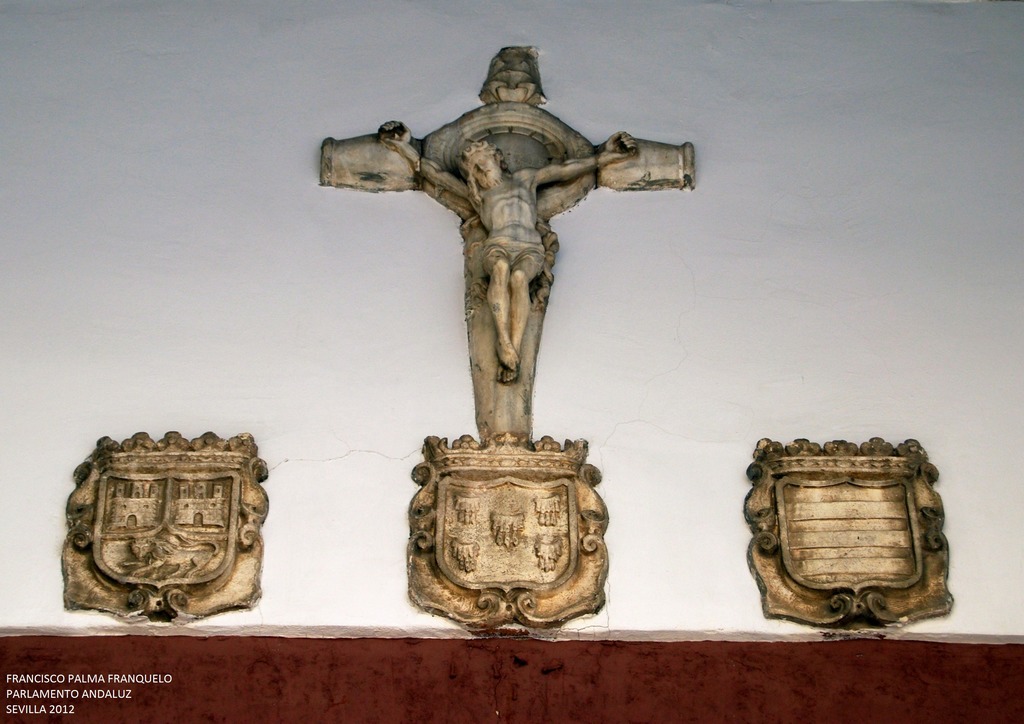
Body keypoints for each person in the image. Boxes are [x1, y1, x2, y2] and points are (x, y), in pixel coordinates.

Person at [380, 121, 636, 383]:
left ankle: (514, 345)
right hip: (498, 243)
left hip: (530, 246)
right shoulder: (478, 197)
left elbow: (563, 169)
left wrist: (605, 157)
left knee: (520, 278)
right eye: (474, 169)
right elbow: (435, 173)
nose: (481, 170)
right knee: (501, 269)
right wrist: (403, 147)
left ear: (497, 159)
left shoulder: (525, 179)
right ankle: (503, 340)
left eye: (484, 162)